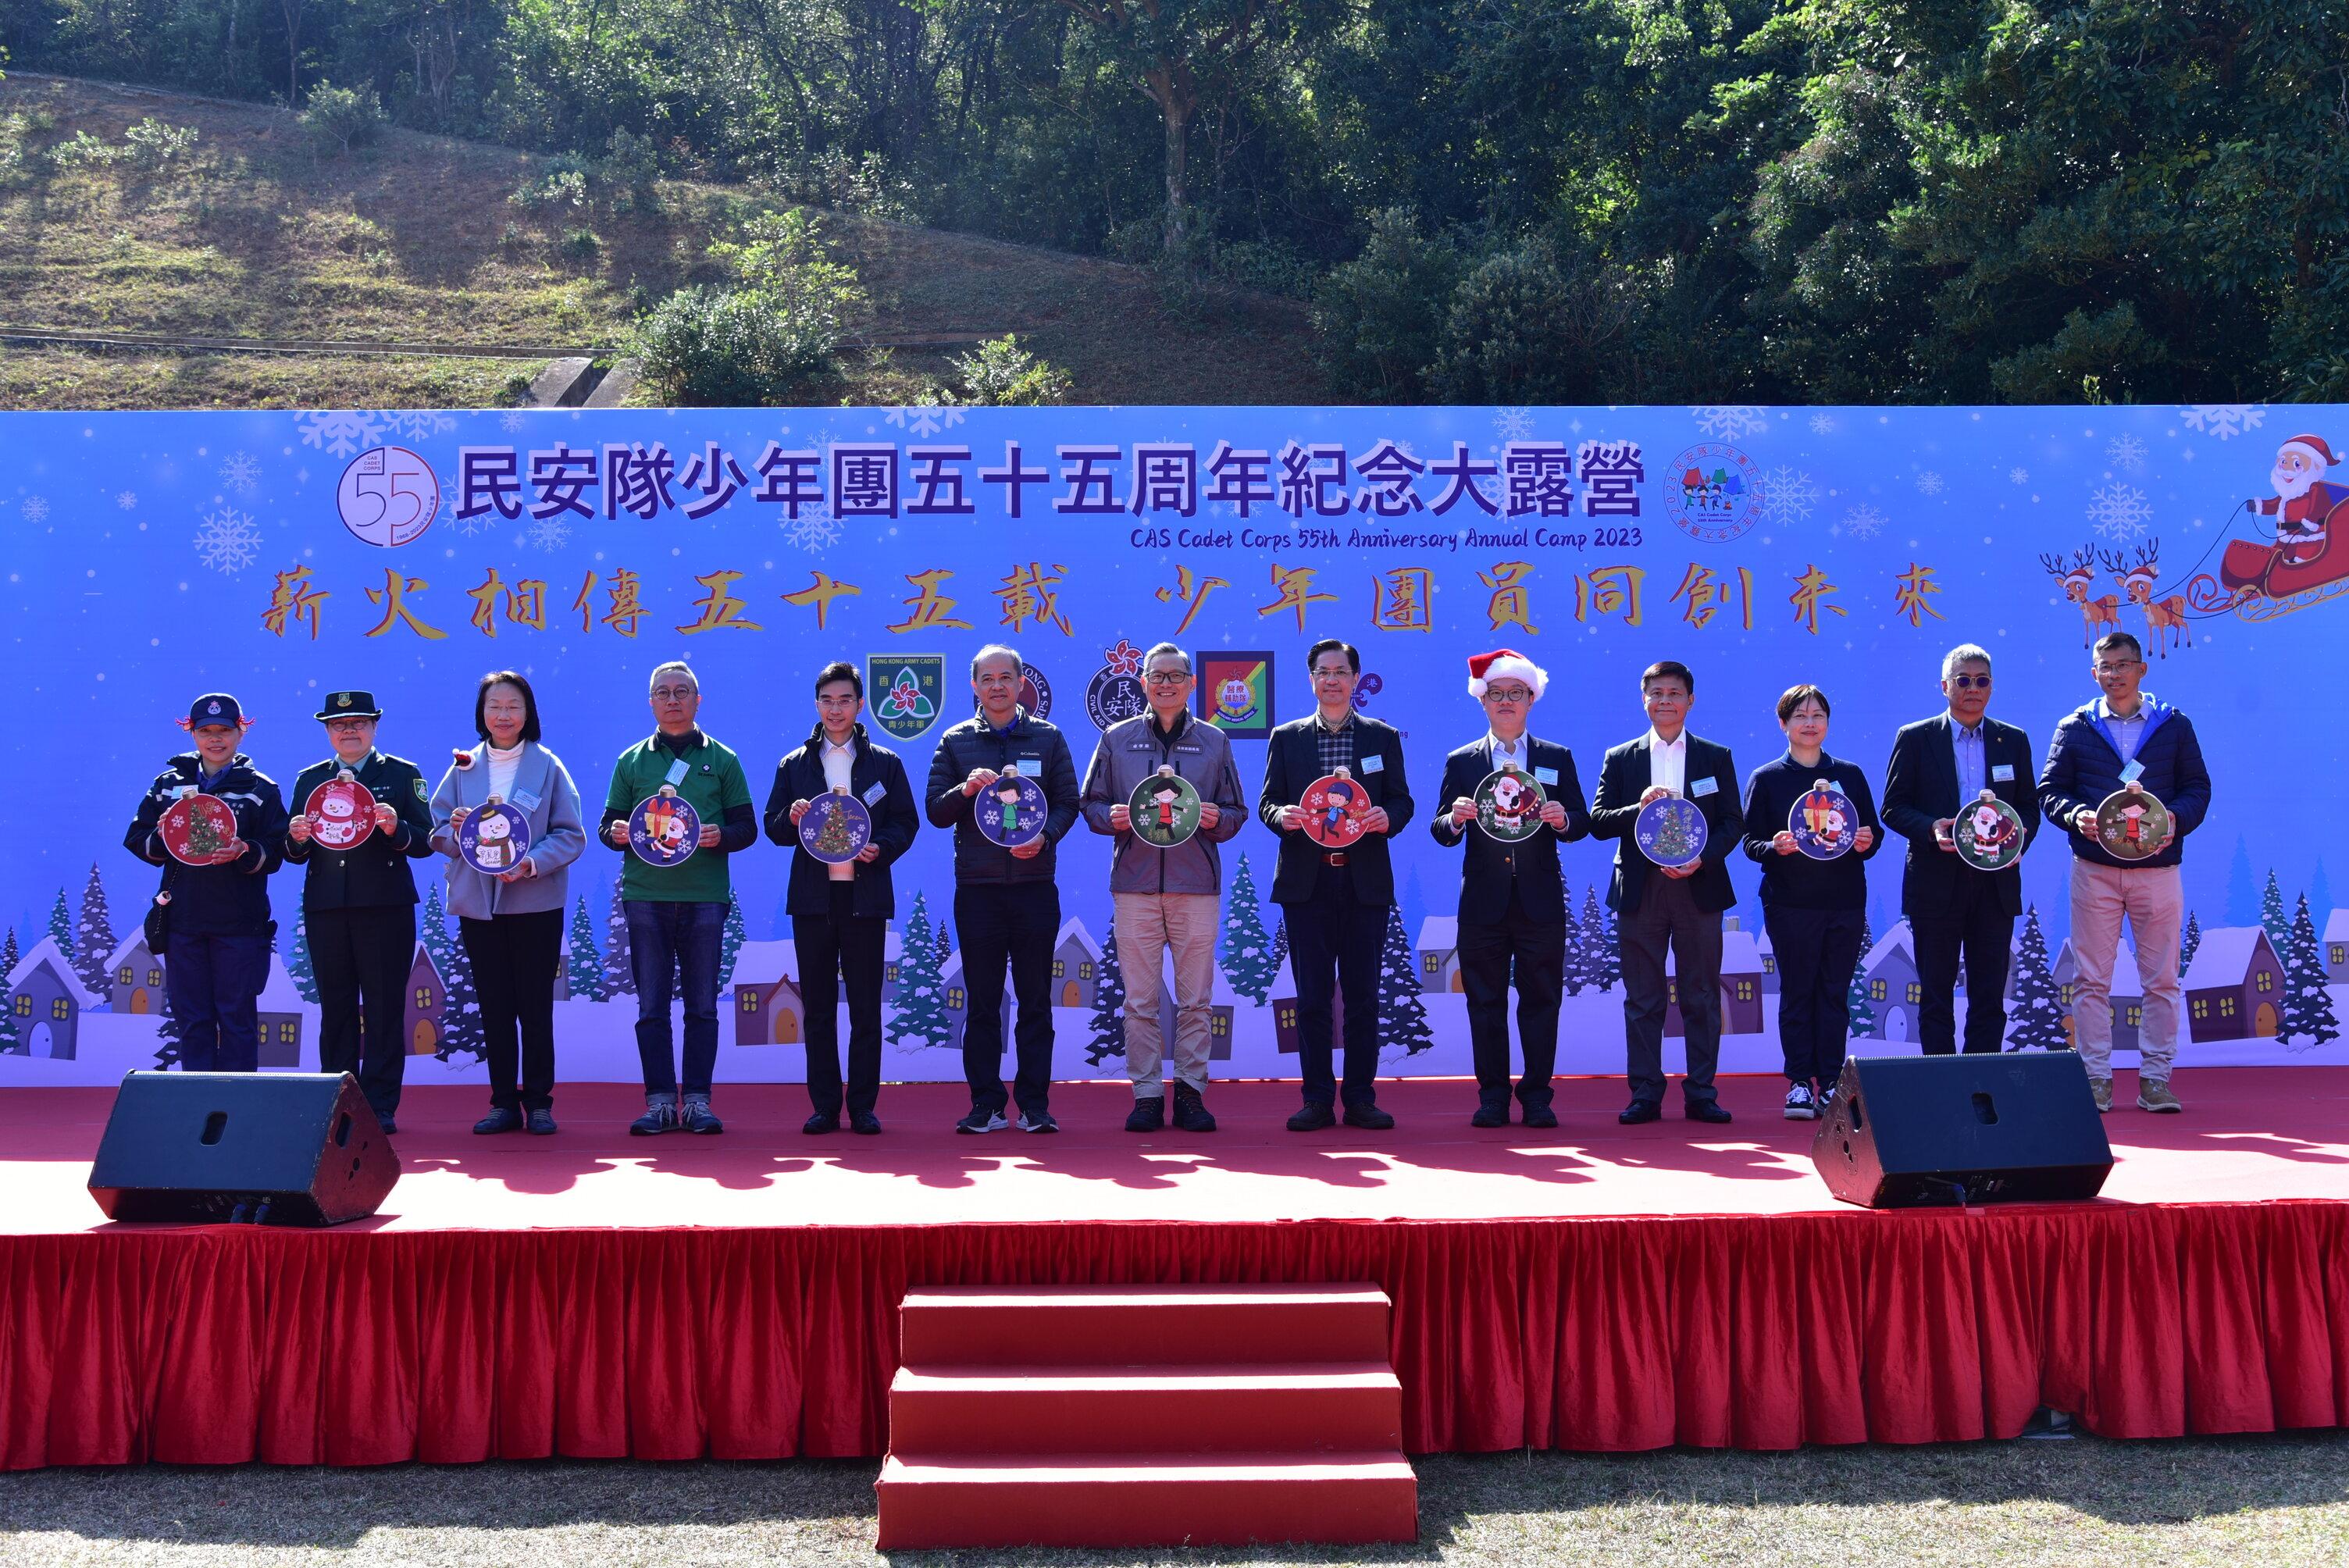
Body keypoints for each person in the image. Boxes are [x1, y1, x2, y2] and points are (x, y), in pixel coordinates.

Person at [2037, 631, 2212, 1114]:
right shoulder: (2074, 727)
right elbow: (2050, 790)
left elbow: (2197, 787)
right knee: (2092, 979)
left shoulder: (2173, 725)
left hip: (2157, 870)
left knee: (2161, 980)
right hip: (2094, 869)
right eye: (2104, 667)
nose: (2113, 675)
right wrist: (2077, 817)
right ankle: (2095, 1077)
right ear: (2094, 674)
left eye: (2122, 665)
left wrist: (2176, 819)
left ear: (2142, 669)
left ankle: (2156, 1078)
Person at [1080, 640, 1248, 1133]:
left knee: (1196, 999)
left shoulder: (1215, 741)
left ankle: (1192, 1094)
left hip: (1196, 886)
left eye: (1177, 675)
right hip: (1133, 887)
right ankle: (1147, 1094)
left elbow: (1237, 812)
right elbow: (1089, 804)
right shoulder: (1116, 738)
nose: (1167, 683)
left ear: (1193, 684)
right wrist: (1108, 818)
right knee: (1139, 1001)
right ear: (1143, 683)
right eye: (1158, 675)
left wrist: (1218, 820)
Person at [1428, 650, 1591, 1128]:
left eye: (1515, 693)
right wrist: (1454, 819)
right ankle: (1493, 1096)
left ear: (1531, 699)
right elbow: (1438, 828)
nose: (1506, 702)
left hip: (1540, 901)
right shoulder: (1462, 761)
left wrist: (1564, 820)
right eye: (1496, 694)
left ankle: (1538, 1095)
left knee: (1543, 1001)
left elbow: (1581, 821)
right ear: (1483, 701)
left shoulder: (1555, 759)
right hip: (1482, 903)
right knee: (1485, 1003)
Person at [924, 644, 1082, 1134]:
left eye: (1006, 677)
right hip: (978, 891)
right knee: (983, 1002)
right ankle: (986, 1104)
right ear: (974, 686)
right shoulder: (955, 742)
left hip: (1035, 888)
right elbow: (935, 812)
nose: (997, 686)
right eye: (987, 678)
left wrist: (1046, 837)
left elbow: (1067, 802)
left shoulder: (1048, 738)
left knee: (1036, 1000)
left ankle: (1035, 1104)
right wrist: (964, 791)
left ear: (1020, 684)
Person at [1260, 637, 1414, 1131]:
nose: (1332, 680)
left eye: (1341, 672)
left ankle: (1362, 1098)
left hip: (1364, 884)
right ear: (1311, 680)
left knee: (1365, 997)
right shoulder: (1287, 738)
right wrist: (1279, 814)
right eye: (1323, 672)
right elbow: (1268, 801)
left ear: (1355, 679)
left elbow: (1402, 801)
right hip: (1307, 886)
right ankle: (1317, 1099)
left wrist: (1386, 817)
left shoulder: (1381, 738)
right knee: (1311, 999)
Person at [763, 661, 920, 1135]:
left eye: (845, 700)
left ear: (860, 705)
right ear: (817, 705)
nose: (836, 709)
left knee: (867, 1006)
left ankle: (865, 1106)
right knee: (817, 1009)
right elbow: (771, 828)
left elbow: (906, 823)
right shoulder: (795, 764)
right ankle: (826, 1106)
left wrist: (883, 848)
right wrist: (790, 819)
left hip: (865, 897)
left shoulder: (884, 764)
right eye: (827, 700)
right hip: (814, 900)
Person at [601, 661, 757, 1135]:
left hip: (705, 896)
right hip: (646, 895)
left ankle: (699, 1103)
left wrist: (719, 835)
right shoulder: (631, 762)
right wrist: (620, 832)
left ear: (697, 700)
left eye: (682, 691)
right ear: (650, 701)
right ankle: (660, 1103)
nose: (673, 699)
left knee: (702, 1006)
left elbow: (747, 828)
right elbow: (608, 828)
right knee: (650, 1007)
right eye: (663, 692)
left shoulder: (723, 759)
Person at [430, 672, 586, 1135]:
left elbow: (571, 835)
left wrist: (531, 864)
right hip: (480, 906)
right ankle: (502, 1103)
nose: (503, 715)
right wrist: (456, 831)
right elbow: (435, 831)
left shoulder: (548, 766)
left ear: (527, 713)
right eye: (494, 706)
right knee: (494, 1006)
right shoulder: (463, 766)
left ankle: (538, 1102)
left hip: (535, 902)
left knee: (535, 1006)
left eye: (513, 706)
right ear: (482, 713)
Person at [1588, 661, 1738, 1126]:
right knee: (1644, 997)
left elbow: (1734, 822)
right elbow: (1596, 821)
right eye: (1656, 692)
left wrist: (1702, 858)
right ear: (1644, 700)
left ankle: (1702, 1092)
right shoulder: (1623, 757)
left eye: (1675, 692)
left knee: (1700, 994)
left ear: (1690, 701)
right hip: (1640, 889)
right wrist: (1638, 807)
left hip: (1698, 886)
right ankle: (1646, 1093)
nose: (1666, 700)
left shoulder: (1715, 756)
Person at [283, 690, 436, 1131]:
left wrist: (396, 828)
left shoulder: (403, 775)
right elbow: (293, 851)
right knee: (336, 1006)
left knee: (386, 1006)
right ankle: (335, 1096)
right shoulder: (309, 780)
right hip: (327, 907)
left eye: (358, 722)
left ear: (374, 727)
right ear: (328, 731)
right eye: (338, 724)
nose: (348, 730)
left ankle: (381, 1104)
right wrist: (296, 836)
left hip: (386, 907)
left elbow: (428, 840)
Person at [1880, 643, 2041, 1058]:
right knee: (1935, 995)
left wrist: (2018, 839)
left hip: (1996, 886)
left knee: (1989, 995)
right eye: (1963, 680)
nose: (1973, 688)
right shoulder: (1915, 738)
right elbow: (1893, 807)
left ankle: (1982, 1079)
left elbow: (2028, 807)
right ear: (1945, 686)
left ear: (1992, 688)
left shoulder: (2014, 740)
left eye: (1982, 680)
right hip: (1935, 883)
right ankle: (1939, 1084)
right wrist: (1931, 827)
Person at [123, 693, 288, 1073]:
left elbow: (278, 852)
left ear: (240, 732)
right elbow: (137, 839)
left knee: (237, 1020)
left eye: (225, 730)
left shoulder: (261, 789)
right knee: (192, 1020)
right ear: (192, 733)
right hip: (184, 922)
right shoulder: (168, 784)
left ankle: (238, 1112)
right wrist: (165, 835)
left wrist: (244, 850)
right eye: (205, 731)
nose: (216, 739)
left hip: (240, 925)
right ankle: (198, 1110)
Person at [1740, 684, 1882, 1119]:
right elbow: (1748, 841)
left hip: (1843, 900)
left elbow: (1873, 836)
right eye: (1799, 716)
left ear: (1827, 723)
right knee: (1799, 992)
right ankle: (1800, 1082)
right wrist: (1774, 846)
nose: (1809, 723)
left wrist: (1864, 841)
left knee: (1835, 992)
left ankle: (1833, 1082)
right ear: (1783, 724)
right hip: (1790, 903)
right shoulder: (1768, 778)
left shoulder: (1850, 775)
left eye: (1817, 715)